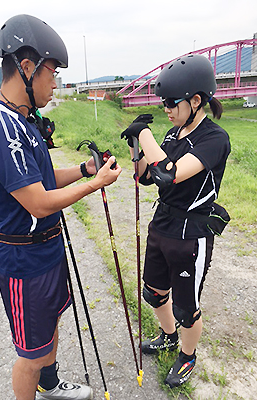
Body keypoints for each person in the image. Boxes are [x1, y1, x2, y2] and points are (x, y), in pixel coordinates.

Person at [0, 14, 121, 400]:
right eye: (51, 72)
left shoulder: (24, 121)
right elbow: (38, 203)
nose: (54, 82)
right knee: (30, 354)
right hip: (24, 260)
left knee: (51, 326)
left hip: (48, 251)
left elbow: (44, 180)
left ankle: (51, 386)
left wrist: (86, 169)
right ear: (26, 68)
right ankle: (37, 384)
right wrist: (95, 184)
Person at [121, 54, 230, 388]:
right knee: (154, 293)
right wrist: (136, 148)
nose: (166, 108)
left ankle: (188, 355)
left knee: (186, 307)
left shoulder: (214, 138)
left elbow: (171, 175)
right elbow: (147, 178)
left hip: (191, 233)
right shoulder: (172, 134)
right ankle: (168, 336)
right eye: (162, 102)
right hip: (162, 224)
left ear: (196, 101)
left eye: (171, 102)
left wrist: (146, 136)